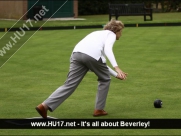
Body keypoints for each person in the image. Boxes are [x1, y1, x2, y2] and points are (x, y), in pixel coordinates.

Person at [35, 19, 127, 118]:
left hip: (76, 54)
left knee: (70, 84)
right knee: (105, 79)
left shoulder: (97, 34)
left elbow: (101, 63)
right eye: (121, 31)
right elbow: (107, 51)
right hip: (91, 56)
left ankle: (44, 106)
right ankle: (99, 109)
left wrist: (116, 75)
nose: (121, 34)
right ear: (116, 30)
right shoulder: (111, 34)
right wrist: (117, 68)